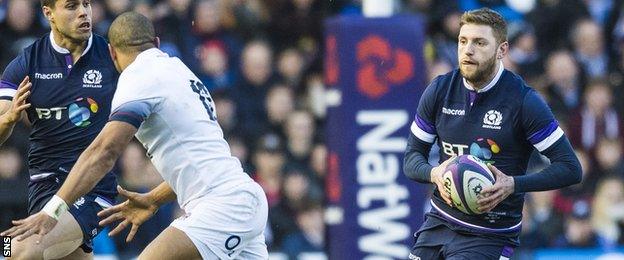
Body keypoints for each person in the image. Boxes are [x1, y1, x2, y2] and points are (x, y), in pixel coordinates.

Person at [2, 11, 269, 260]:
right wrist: (154, 198)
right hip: (242, 198)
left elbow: (103, 152)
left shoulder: (137, 77)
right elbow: (197, 160)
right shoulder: (179, 70)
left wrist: (53, 210)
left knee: (14, 250)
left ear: (112, 53)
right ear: (156, 42)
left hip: (222, 207)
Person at [403, 8, 582, 259]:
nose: (468, 50)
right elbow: (411, 158)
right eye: (463, 41)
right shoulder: (439, 90)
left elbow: (571, 168)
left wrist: (513, 184)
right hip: (439, 222)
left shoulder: (524, 102)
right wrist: (435, 173)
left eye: (479, 42)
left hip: (490, 234)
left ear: (502, 50)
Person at [0, 0, 119, 259]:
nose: (83, 12)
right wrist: (8, 120)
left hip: (90, 188)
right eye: (72, 6)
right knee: (7, 246)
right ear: (48, 13)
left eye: (86, 4)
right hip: (43, 188)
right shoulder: (27, 63)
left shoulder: (111, 56)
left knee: (15, 252)